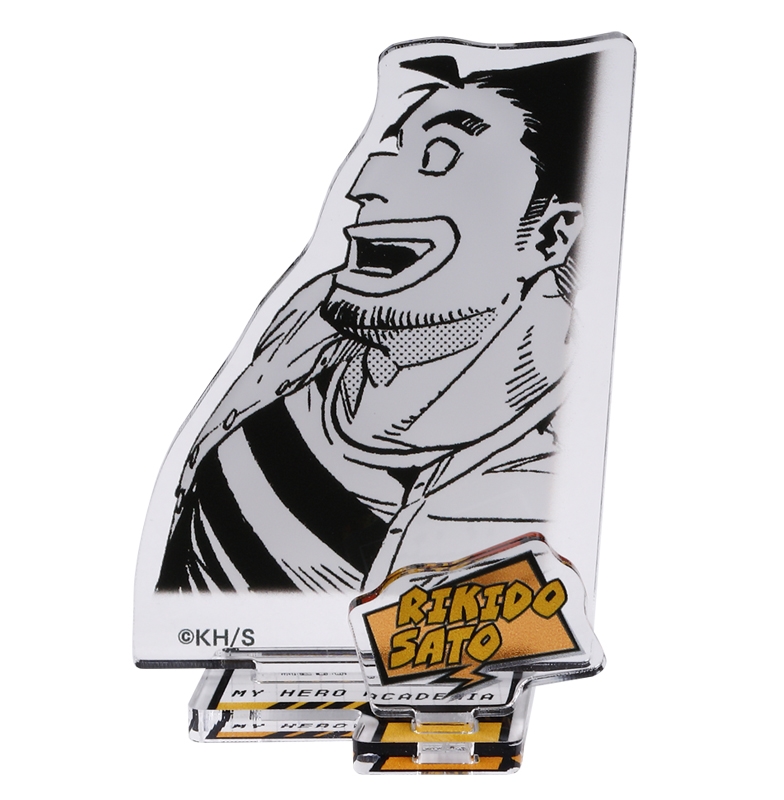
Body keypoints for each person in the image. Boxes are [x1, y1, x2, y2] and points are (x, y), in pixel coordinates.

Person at [156, 52, 598, 593]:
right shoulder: (314, 315)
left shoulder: (536, 473)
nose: (363, 186)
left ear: (548, 237)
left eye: (439, 157)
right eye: (394, 149)